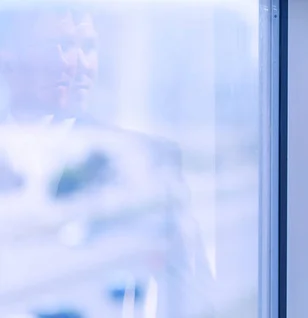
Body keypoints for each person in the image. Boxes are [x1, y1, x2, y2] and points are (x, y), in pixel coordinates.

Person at [0, 4, 215, 317]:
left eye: (88, 47)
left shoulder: (145, 160)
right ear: (9, 56)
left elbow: (191, 291)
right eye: (58, 46)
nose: (79, 64)